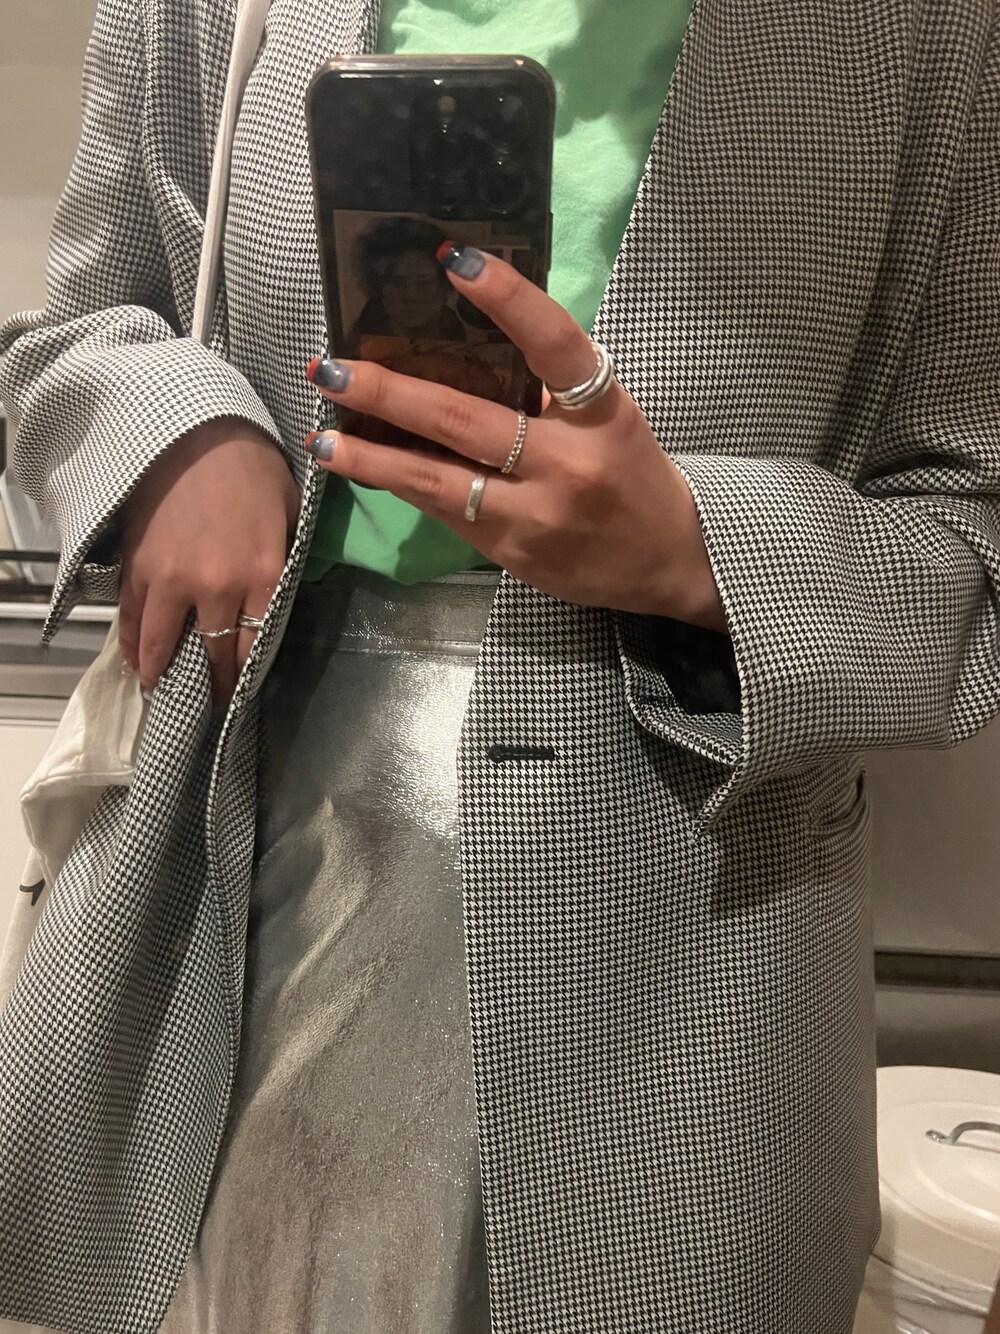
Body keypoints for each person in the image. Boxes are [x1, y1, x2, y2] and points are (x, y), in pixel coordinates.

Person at [0, 1, 998, 1332]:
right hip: (257, 872)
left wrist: (699, 551)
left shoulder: (931, 29)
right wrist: (181, 431)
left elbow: (973, 538)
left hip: (697, 935)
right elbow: (73, 334)